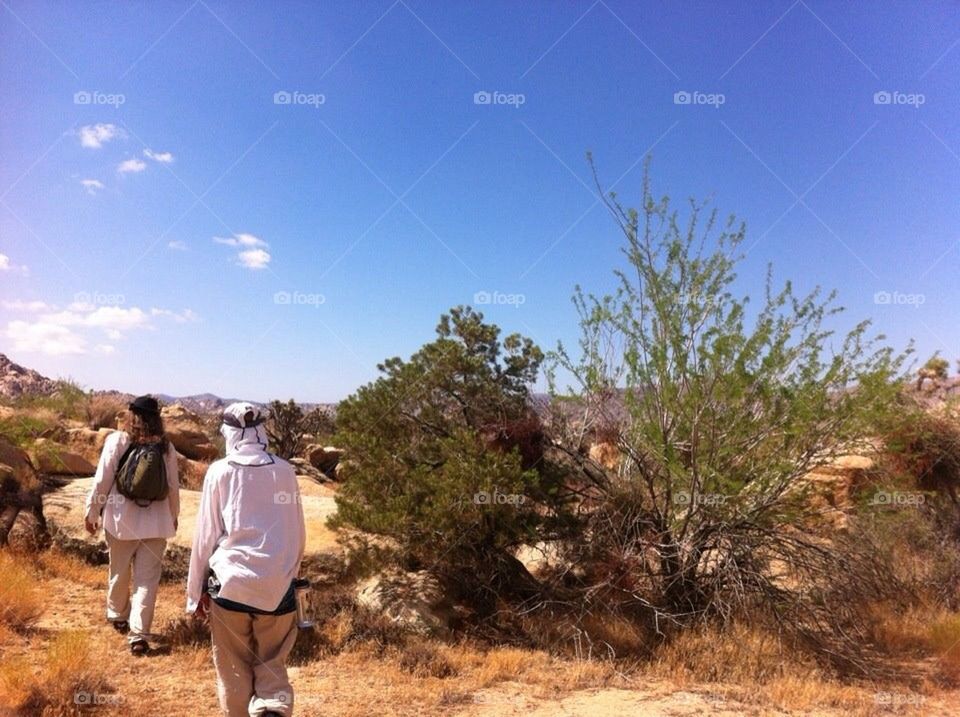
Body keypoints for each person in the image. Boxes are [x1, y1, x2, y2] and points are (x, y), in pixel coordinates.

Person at [187, 402, 306, 717]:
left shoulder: (219, 471)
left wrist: (195, 592)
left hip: (231, 585)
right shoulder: (284, 471)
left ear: (228, 432)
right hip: (277, 586)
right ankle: (271, 707)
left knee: (232, 668)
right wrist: (290, 577)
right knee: (272, 661)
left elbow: (205, 536)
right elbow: (297, 530)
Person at [84, 395, 180, 655]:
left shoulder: (118, 440)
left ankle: (118, 615)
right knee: (147, 580)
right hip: (156, 524)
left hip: (121, 521)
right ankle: (138, 635)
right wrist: (173, 515)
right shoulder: (166, 447)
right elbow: (173, 486)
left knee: (119, 569)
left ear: (131, 416)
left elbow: (102, 480)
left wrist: (92, 512)